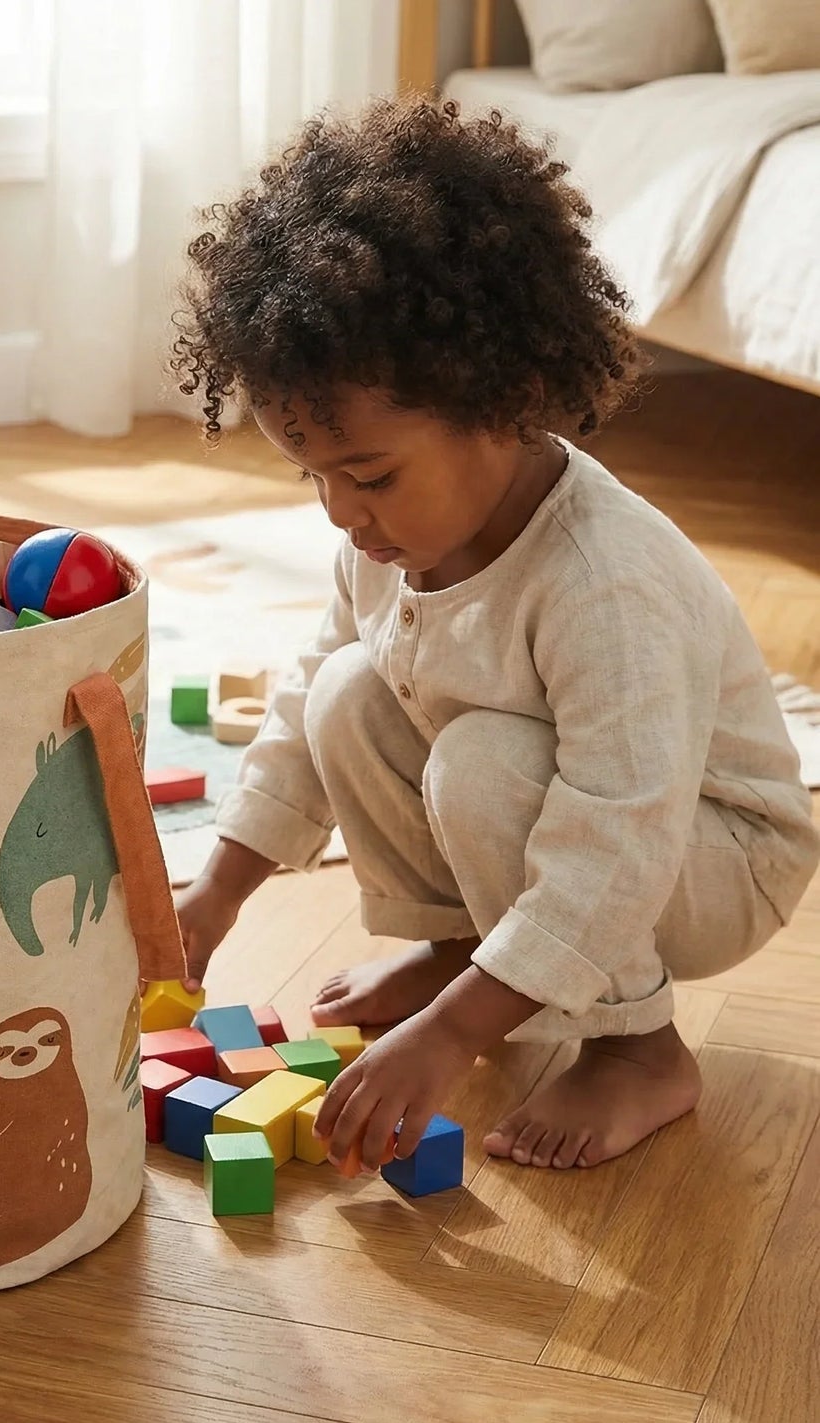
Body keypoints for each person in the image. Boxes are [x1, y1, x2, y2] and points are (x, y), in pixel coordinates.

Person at [169, 98, 818, 1174]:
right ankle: (469, 947)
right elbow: (294, 716)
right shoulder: (386, 540)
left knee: (479, 762)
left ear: (508, 400)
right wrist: (217, 887)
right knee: (343, 691)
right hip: (577, 818)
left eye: (368, 473)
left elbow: (618, 831)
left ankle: (639, 1047)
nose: (339, 511)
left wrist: (455, 1037)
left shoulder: (604, 582)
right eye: (312, 474)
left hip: (708, 853)